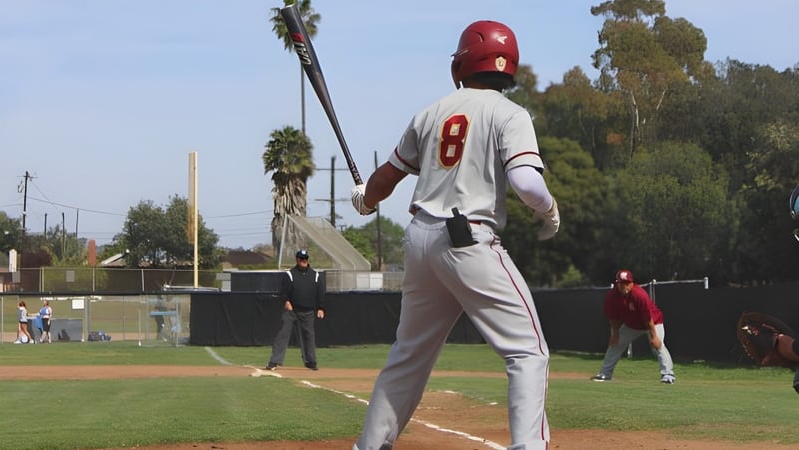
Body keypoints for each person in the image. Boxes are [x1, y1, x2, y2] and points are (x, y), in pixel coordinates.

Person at [350, 20, 560, 450]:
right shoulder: (511, 114)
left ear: (462, 64)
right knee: (528, 352)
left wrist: (364, 200)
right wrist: (549, 208)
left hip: (420, 240)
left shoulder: (431, 112)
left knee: (408, 358)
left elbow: (385, 179)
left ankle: (368, 447)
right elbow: (526, 182)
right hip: (468, 240)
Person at [591, 269, 676, 384]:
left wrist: (654, 336)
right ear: (617, 284)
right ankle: (605, 374)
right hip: (632, 325)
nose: (624, 286)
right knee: (616, 344)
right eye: (621, 283)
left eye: (627, 283)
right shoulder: (612, 296)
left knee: (658, 346)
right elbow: (613, 318)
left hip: (653, 322)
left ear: (632, 283)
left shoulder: (639, 294)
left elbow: (648, 318)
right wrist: (615, 334)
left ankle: (668, 375)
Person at [266, 249, 326, 371]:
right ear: (297, 260)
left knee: (309, 336)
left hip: (308, 311)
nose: (304, 261)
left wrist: (321, 307)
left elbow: (321, 293)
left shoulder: (315, 275)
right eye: (301, 259)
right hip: (292, 311)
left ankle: (311, 361)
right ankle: (274, 361)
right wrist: (286, 301)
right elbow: (284, 291)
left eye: (305, 259)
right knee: (282, 335)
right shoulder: (290, 274)